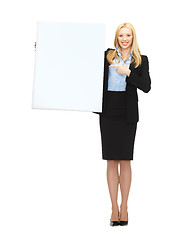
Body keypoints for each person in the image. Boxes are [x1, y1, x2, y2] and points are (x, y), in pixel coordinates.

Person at [93, 22, 151, 226]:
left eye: (128, 35)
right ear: (116, 38)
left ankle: (124, 206)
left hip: (127, 113)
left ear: (133, 37)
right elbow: (77, 62)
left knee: (125, 160)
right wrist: (44, 48)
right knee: (111, 161)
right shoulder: (106, 55)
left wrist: (128, 73)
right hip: (108, 111)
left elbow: (146, 87)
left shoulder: (140, 60)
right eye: (121, 35)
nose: (124, 39)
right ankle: (113, 208)